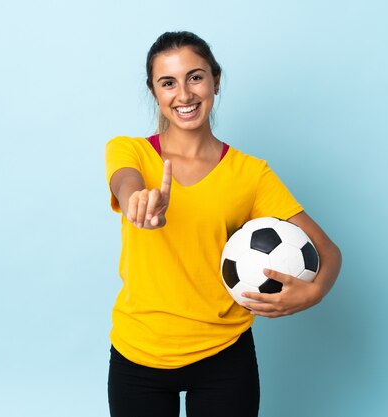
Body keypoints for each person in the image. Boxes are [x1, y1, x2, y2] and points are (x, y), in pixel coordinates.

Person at [105, 31, 342, 417]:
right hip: (139, 355)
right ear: (154, 91)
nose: (184, 94)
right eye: (168, 83)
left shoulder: (251, 175)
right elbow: (124, 180)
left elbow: (329, 253)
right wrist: (138, 199)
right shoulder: (128, 151)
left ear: (215, 80)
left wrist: (312, 294)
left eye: (195, 77)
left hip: (223, 357)